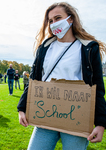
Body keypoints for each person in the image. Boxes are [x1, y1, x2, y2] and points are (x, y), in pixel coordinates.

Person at [17, 2, 106, 150]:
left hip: (77, 116)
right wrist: (22, 108)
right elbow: (34, 80)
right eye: (50, 21)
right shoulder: (44, 48)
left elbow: (97, 86)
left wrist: (101, 123)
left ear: (70, 19)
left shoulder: (88, 48)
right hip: (45, 114)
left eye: (58, 18)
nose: (53, 23)